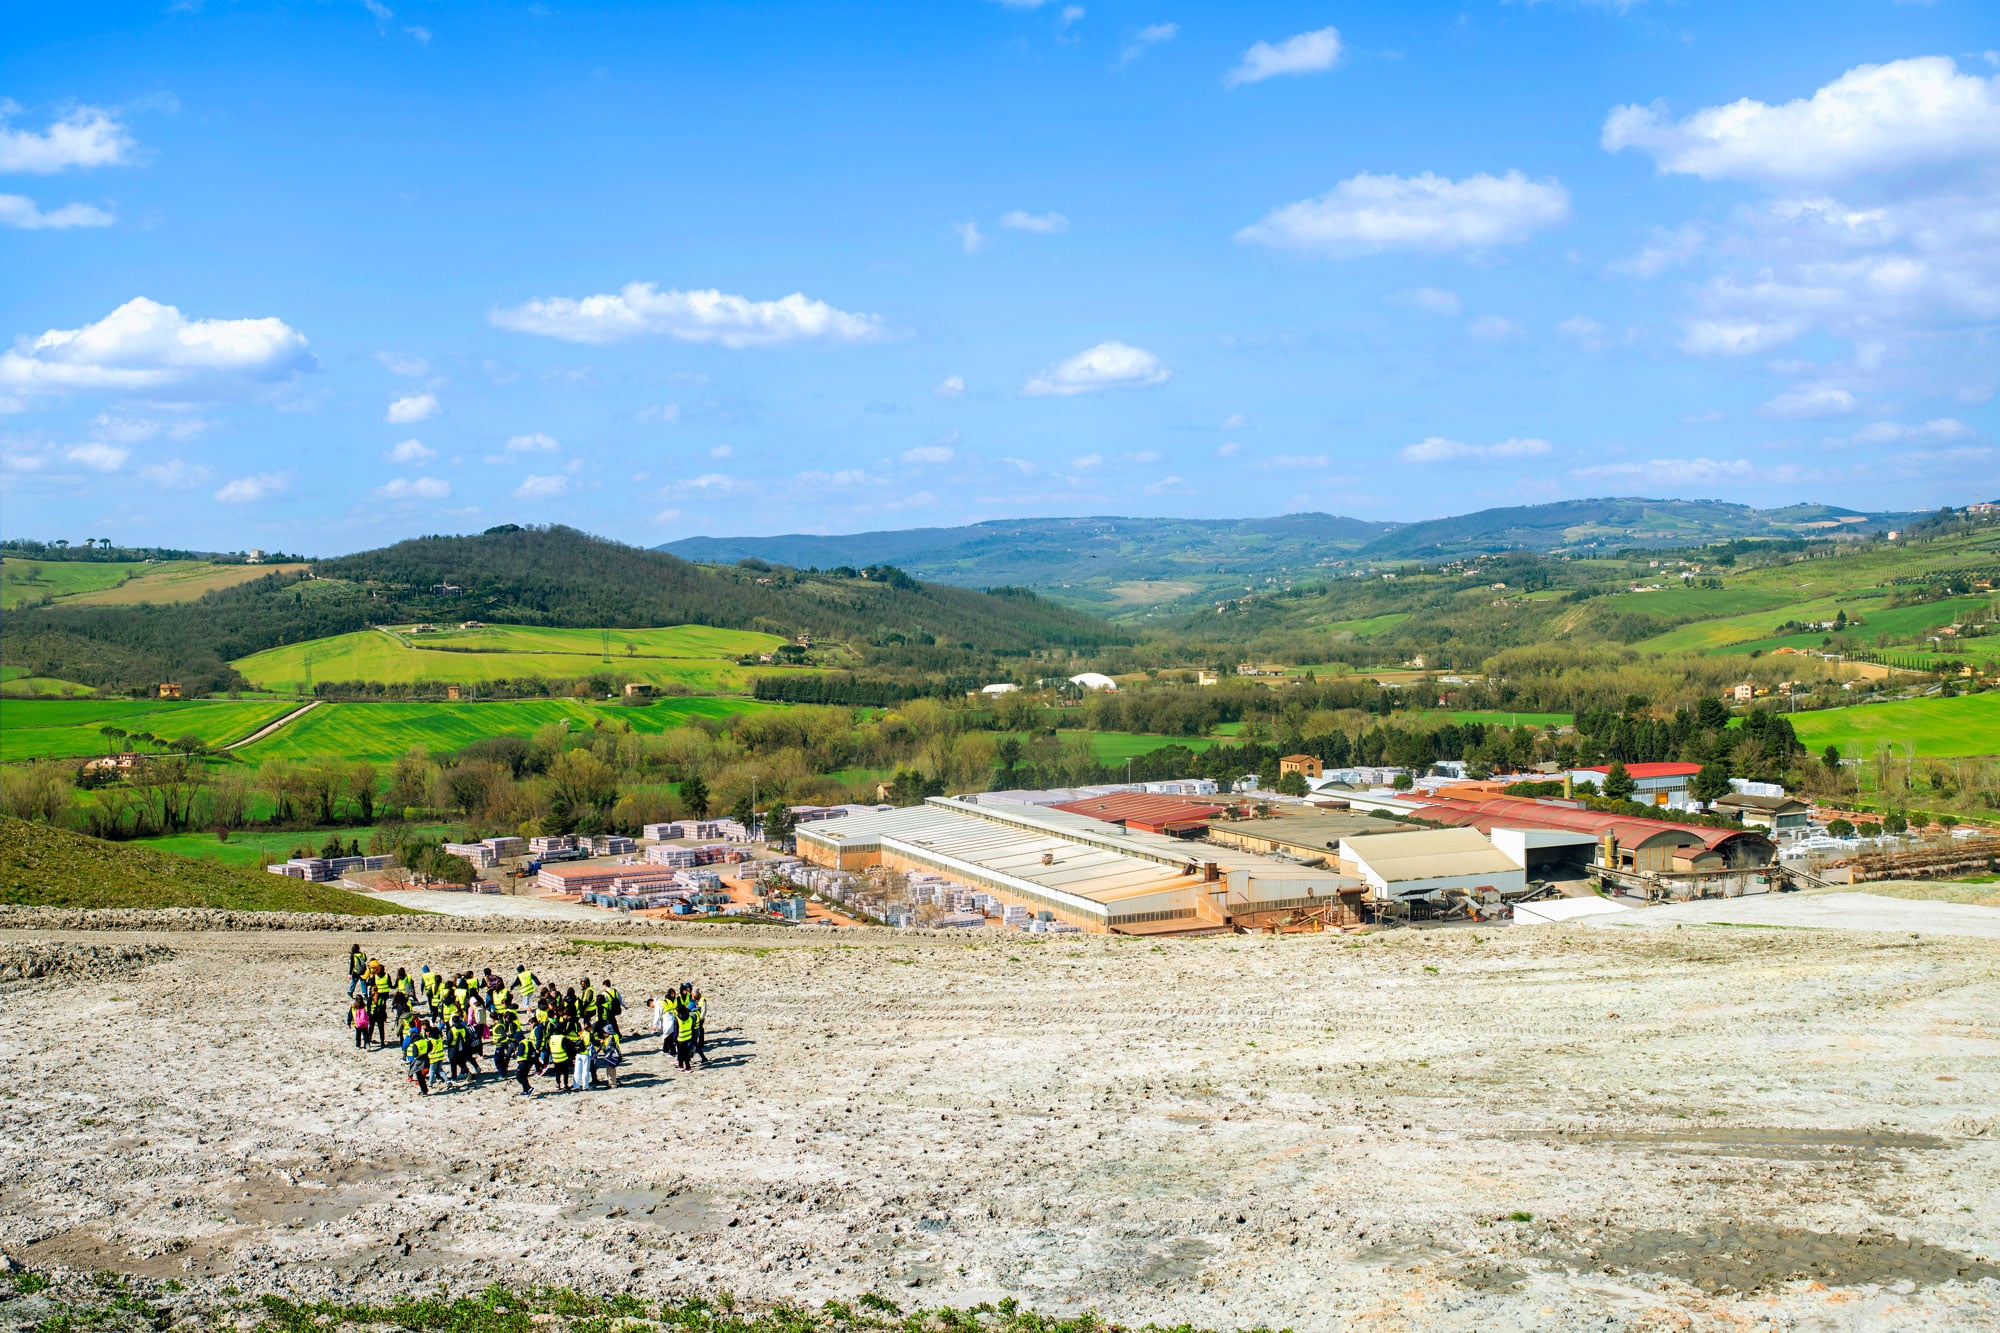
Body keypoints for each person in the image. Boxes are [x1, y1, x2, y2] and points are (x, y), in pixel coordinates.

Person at [673, 995, 696, 1072]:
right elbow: (692, 1028)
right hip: (688, 1037)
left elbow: (676, 1031)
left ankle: (681, 1066)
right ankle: (688, 1067)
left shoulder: (678, 1019)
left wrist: (674, 1039)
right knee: (686, 1053)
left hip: (680, 1039)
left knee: (680, 1053)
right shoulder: (690, 1018)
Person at [690, 987, 709, 1066]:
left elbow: (704, 1010)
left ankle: (701, 1043)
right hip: (695, 1018)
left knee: (700, 1032)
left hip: (699, 1018)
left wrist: (701, 1018)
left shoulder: (702, 1000)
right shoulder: (694, 1000)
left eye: (693, 994)